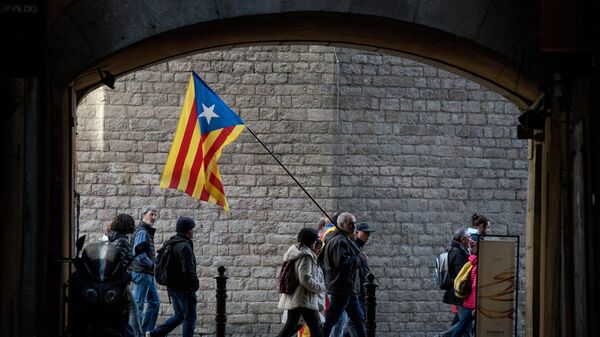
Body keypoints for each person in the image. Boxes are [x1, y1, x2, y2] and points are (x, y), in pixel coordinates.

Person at [146, 216, 199, 337]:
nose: (193, 231)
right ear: (188, 230)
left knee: (180, 315)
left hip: (173, 288)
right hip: (184, 289)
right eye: (192, 228)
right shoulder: (184, 246)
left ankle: (154, 334)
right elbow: (188, 270)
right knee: (189, 318)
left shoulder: (171, 242)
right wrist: (195, 284)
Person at [321, 212, 367, 337]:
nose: (353, 226)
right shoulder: (339, 240)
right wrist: (359, 259)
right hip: (341, 288)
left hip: (346, 288)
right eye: (350, 223)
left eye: (354, 223)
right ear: (341, 224)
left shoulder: (341, 238)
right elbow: (342, 263)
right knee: (331, 321)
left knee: (358, 320)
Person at [277, 227, 326, 337]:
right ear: (311, 241)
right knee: (316, 328)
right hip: (303, 298)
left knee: (291, 327)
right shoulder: (306, 256)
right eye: (316, 239)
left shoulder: (297, 251)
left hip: (299, 297)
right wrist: (320, 287)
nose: (317, 242)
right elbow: (305, 279)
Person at [106, 213, 143, 337]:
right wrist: (127, 274)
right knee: (133, 308)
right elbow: (120, 262)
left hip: (114, 280)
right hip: (119, 280)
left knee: (122, 309)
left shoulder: (112, 237)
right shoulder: (121, 240)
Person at [131, 206, 160, 333]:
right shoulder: (142, 231)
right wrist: (152, 263)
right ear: (143, 215)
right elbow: (138, 253)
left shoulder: (145, 231)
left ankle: (146, 332)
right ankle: (134, 333)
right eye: (151, 214)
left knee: (154, 303)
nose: (153, 217)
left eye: (155, 215)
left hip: (146, 274)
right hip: (142, 273)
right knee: (138, 306)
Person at [438, 229, 471, 337]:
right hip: (459, 294)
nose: (471, 240)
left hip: (457, 293)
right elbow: (461, 276)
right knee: (465, 323)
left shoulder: (457, 250)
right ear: (462, 240)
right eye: (469, 238)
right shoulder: (458, 253)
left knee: (461, 321)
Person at [451, 239, 478, 337]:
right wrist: (476, 306)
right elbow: (475, 286)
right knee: (461, 328)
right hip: (473, 305)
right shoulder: (478, 264)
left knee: (461, 327)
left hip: (467, 302)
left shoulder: (471, 262)